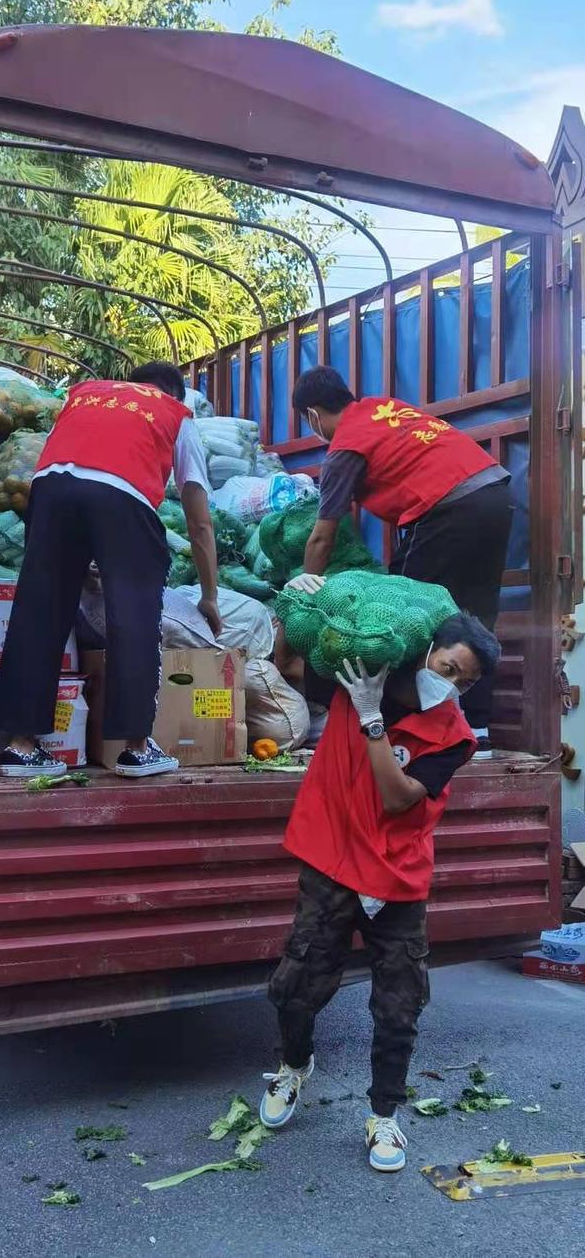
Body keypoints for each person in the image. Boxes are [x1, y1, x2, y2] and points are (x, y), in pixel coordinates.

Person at [259, 609, 500, 1173]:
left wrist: (371, 721)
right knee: (297, 984)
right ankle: (294, 1067)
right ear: (426, 651)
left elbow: (397, 798)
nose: (452, 684)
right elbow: (293, 653)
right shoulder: (359, 675)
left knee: (399, 1003)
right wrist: (303, 589)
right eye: (448, 667)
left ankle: (384, 1114)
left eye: (465, 681)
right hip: (334, 859)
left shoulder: (453, 738)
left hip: (397, 876)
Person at [0, 361, 221, 780]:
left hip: (50, 488)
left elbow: (77, 469)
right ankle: (135, 748)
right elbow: (199, 522)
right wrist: (210, 596)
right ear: (176, 395)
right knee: (133, 614)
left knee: (40, 611)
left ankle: (20, 747)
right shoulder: (175, 414)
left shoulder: (87, 395)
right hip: (122, 496)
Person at [292, 366, 513, 756]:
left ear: (312, 414)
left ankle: (397, 729)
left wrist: (306, 592)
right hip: (494, 493)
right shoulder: (382, 409)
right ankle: (477, 732)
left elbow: (322, 536)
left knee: (401, 616)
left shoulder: (345, 447)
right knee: (475, 617)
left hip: (448, 506)